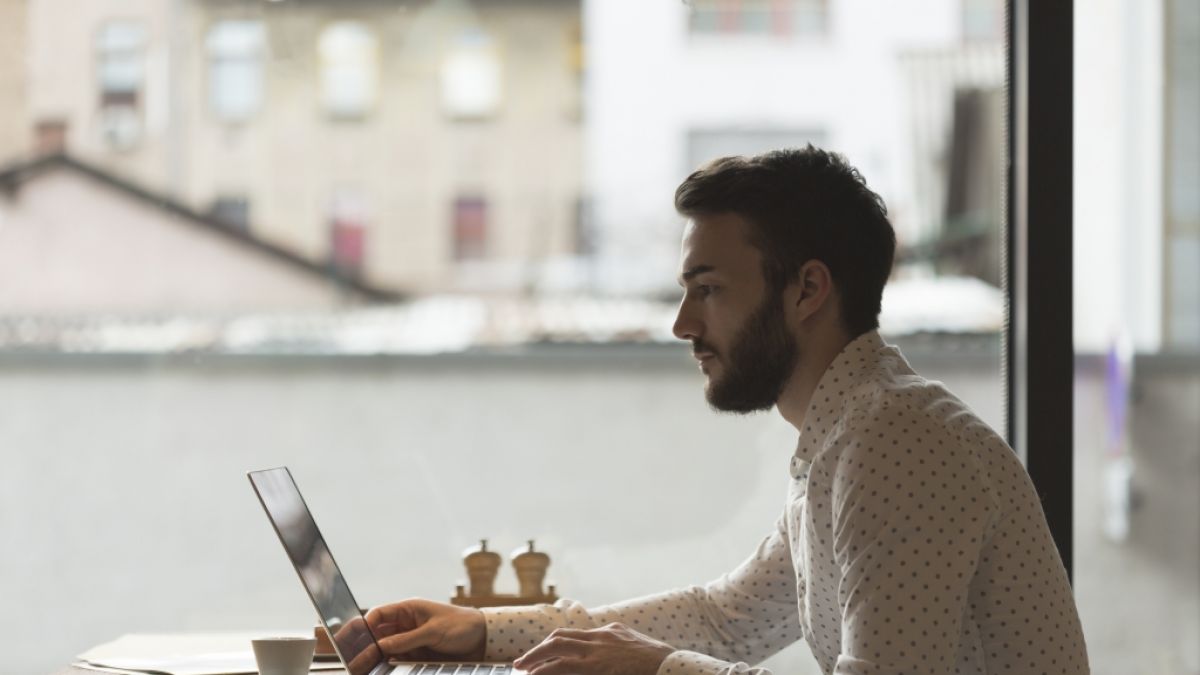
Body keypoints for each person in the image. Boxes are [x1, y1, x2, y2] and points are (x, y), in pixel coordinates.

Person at [355, 147, 1090, 675]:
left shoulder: (898, 442)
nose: (682, 322)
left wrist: (656, 670)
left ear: (807, 290)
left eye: (707, 288)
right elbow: (724, 618)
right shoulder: (846, 434)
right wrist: (484, 631)